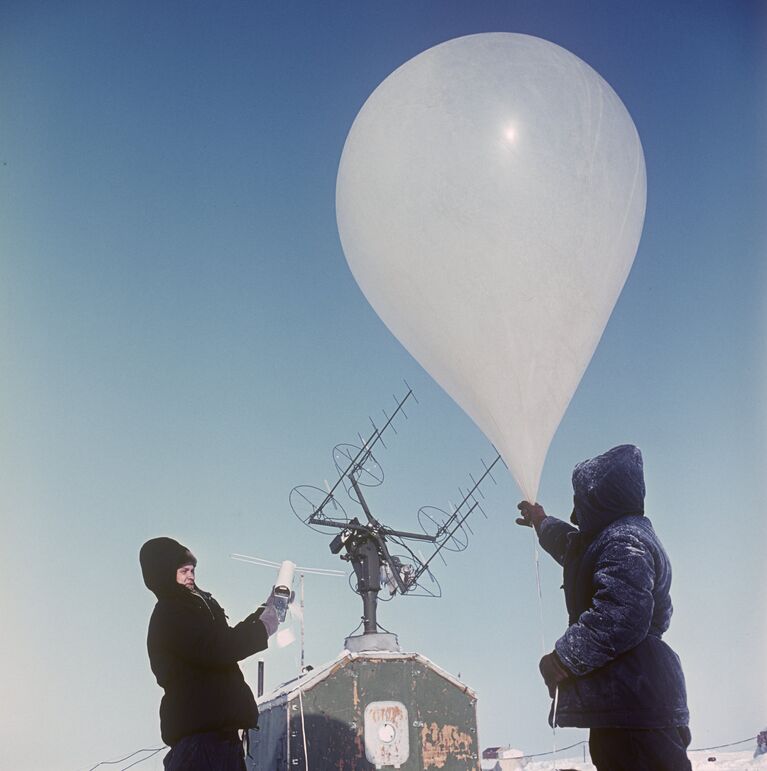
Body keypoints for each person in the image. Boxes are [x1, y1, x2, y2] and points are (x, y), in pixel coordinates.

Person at [516, 444, 691, 771]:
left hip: (637, 706)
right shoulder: (609, 538)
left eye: (580, 503)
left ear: (600, 500)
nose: (574, 515)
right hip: (629, 703)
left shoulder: (625, 541)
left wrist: (561, 660)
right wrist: (541, 521)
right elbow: (570, 545)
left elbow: (621, 615)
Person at [139, 537, 282, 771]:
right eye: (183, 570)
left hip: (221, 741)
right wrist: (263, 627)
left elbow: (223, 641)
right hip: (200, 745)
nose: (191, 576)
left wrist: (267, 611)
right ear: (164, 572)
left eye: (192, 570)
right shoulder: (170, 613)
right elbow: (218, 648)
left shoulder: (196, 606)